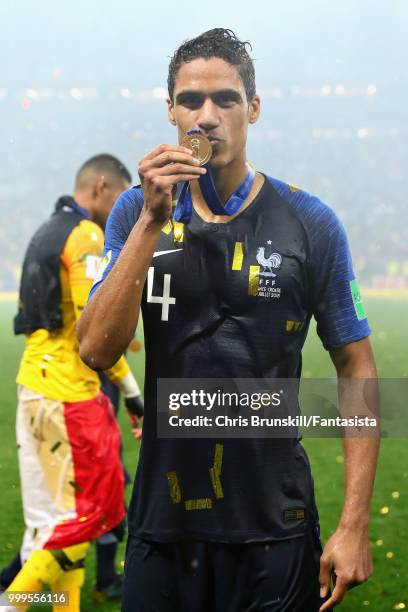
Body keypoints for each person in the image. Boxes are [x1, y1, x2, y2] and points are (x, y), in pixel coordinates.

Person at [78, 29, 379, 612]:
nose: (207, 116)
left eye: (227, 99)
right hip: (163, 527)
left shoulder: (310, 222)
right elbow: (95, 350)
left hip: (275, 528)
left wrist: (355, 523)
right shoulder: (132, 211)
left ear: (254, 108)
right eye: (191, 100)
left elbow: (355, 363)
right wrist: (150, 221)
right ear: (170, 111)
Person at [3, 154, 143, 611]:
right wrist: (132, 391)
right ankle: (11, 603)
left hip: (33, 388)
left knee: (55, 523)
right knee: (92, 513)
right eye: (122, 195)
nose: (124, 208)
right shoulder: (86, 236)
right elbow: (95, 331)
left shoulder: (48, 229)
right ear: (102, 187)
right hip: (69, 395)